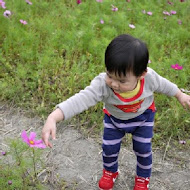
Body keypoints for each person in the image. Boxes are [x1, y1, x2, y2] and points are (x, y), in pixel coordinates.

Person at [42, 34, 190, 190]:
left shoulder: (150, 79)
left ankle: (142, 177)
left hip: (143, 119)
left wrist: (180, 95)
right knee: (109, 149)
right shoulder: (102, 85)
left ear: (141, 75)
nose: (113, 83)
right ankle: (110, 171)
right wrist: (54, 117)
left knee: (143, 149)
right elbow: (81, 99)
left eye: (121, 81)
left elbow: (165, 86)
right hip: (114, 120)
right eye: (109, 75)